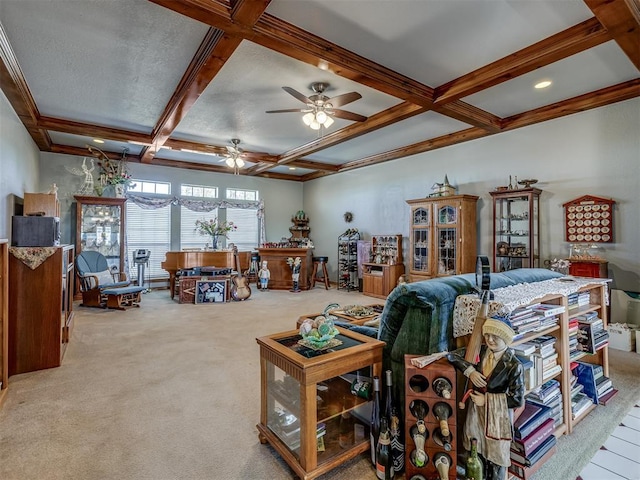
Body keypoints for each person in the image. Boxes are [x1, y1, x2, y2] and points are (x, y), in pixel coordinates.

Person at [447, 316, 524, 480]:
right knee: (476, 446)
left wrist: (487, 400)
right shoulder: (481, 352)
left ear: (505, 338)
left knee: (496, 455)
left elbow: (517, 399)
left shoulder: (513, 365)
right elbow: (452, 356)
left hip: (497, 417)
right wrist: (470, 371)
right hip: (476, 414)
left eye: (495, 336)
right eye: (487, 335)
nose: (489, 339)